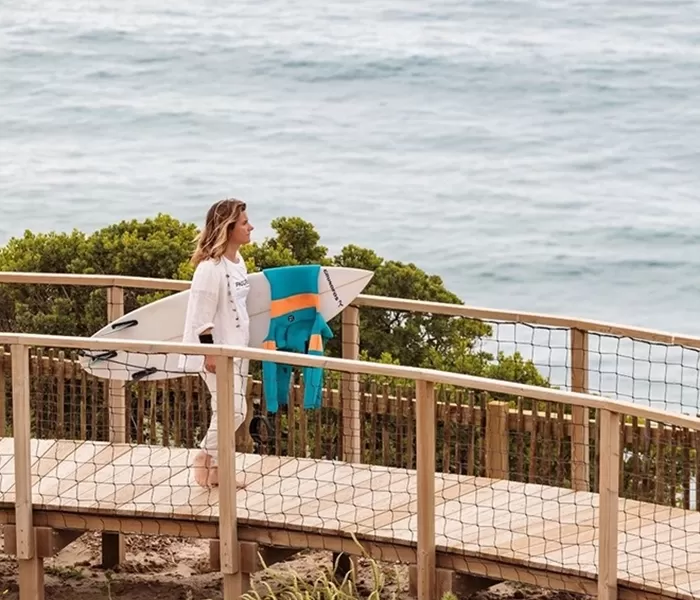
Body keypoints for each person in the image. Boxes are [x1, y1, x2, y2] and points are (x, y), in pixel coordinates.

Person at [181, 198, 254, 488]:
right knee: (234, 411)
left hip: (238, 349)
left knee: (225, 410)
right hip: (215, 352)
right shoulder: (209, 268)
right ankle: (204, 457)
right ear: (229, 227)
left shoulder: (238, 263)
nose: (251, 227)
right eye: (244, 222)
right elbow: (201, 316)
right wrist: (210, 353)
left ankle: (217, 472)